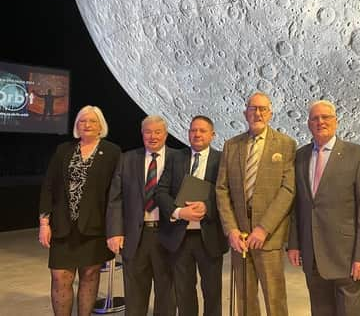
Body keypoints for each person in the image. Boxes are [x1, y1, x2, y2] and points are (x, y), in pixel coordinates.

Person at [287, 100, 360, 316]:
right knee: (319, 311)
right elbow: (297, 206)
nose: (320, 122)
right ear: (308, 124)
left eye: (326, 117)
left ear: (336, 121)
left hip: (346, 255)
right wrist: (294, 244)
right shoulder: (300, 156)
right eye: (315, 118)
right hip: (312, 253)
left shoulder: (357, 155)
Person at [216, 91, 296, 316]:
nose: (258, 113)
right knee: (245, 298)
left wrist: (263, 228)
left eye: (262, 109)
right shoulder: (232, 146)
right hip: (239, 237)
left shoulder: (286, 144)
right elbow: (222, 189)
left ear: (270, 113)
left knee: (275, 298)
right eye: (253, 109)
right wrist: (231, 229)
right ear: (245, 113)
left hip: (268, 237)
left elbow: (288, 190)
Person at [38, 105, 121, 316]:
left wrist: (116, 229)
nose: (87, 124)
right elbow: (49, 186)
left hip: (95, 228)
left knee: (90, 276)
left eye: (92, 121)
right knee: (60, 278)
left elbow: (117, 193)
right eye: (82, 120)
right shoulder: (63, 150)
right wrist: (44, 223)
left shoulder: (112, 152)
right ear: (76, 125)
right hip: (63, 228)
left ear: (100, 125)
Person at [155, 115, 228, 316]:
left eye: (202, 130)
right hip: (180, 237)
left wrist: (207, 207)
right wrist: (179, 212)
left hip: (210, 236)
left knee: (212, 294)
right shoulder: (175, 158)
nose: (197, 134)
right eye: (193, 130)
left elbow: (227, 193)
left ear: (212, 135)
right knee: (184, 293)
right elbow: (161, 192)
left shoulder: (222, 160)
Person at [106, 115, 176, 315]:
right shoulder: (127, 159)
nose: (152, 136)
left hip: (167, 236)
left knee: (167, 296)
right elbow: (115, 199)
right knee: (135, 296)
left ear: (165, 134)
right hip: (135, 238)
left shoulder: (178, 158)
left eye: (157, 132)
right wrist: (114, 232)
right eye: (148, 132)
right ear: (142, 133)